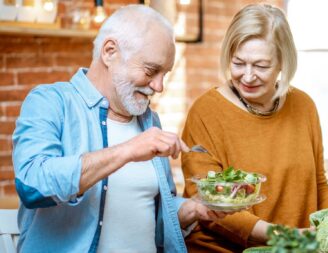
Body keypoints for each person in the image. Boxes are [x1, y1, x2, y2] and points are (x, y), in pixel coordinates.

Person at [12, 5, 226, 253]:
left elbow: (147, 222)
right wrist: (128, 150)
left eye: (164, 74)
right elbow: (32, 186)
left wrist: (192, 210)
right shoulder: (50, 101)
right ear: (109, 52)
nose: (159, 86)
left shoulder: (149, 121)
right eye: (150, 71)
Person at [181, 3, 328, 252]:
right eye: (238, 63)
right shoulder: (206, 112)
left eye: (261, 66)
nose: (248, 76)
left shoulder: (303, 106)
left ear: (283, 62)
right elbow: (210, 205)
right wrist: (289, 237)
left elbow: (318, 183)